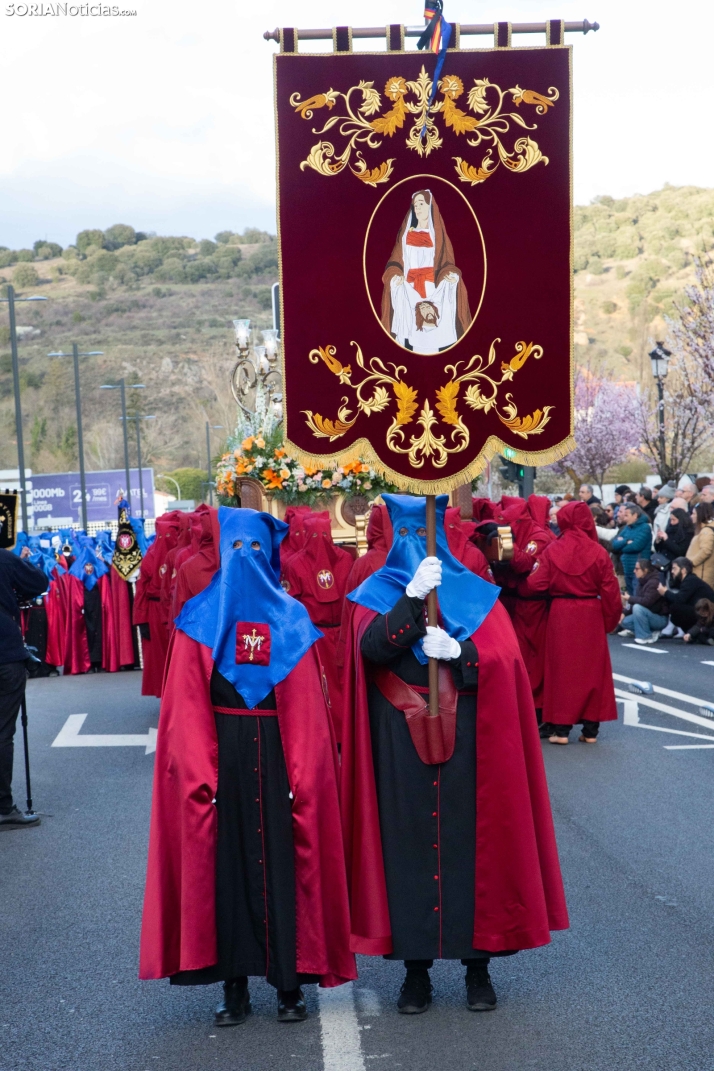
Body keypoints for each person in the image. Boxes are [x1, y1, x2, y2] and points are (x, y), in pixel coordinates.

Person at [341, 495, 568, 1015]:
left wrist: (461, 651)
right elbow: (370, 650)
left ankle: (477, 969)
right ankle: (415, 973)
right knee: (409, 851)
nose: (412, 545)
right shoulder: (374, 589)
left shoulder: (469, 587)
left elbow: (504, 660)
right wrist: (409, 602)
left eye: (420, 535)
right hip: (400, 734)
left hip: (469, 734)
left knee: (471, 851)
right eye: (403, 536)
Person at [140, 508, 356, 1024]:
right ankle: (233, 987)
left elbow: (307, 710)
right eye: (236, 549)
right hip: (223, 761)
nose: (246, 561)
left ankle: (289, 985)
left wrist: (303, 776)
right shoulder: (198, 619)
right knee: (227, 872)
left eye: (256, 550)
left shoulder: (292, 618)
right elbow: (186, 709)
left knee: (284, 867)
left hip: (280, 758)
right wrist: (199, 775)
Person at [520, 501, 622, 745]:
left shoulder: (553, 550)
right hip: (590, 613)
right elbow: (611, 592)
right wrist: (609, 621)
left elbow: (535, 584)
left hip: (562, 613)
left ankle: (561, 729)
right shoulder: (598, 552)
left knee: (562, 671)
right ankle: (590, 729)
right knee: (593, 671)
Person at [282, 512, 354, 743]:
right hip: (315, 635)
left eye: (324, 535)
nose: (321, 540)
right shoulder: (296, 564)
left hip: (342, 632)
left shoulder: (346, 559)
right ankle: (328, 735)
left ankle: (348, 732)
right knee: (322, 686)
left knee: (344, 683)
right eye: (315, 535)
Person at [381, 189, 471, 353]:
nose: (418, 208)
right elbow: (394, 262)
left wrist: (450, 276)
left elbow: (447, 263)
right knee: (410, 332)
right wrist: (395, 276)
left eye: (421, 204)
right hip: (410, 289)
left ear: (430, 206)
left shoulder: (438, 236)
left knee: (432, 334)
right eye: (415, 205)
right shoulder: (406, 235)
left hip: (432, 289)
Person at [0, 547, 48, 828]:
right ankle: (4, 806)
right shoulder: (5, 559)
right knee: (3, 731)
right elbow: (39, 582)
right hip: (5, 652)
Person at [657, 557, 714, 636]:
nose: (672, 571)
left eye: (674, 569)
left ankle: (695, 634)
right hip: (702, 612)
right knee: (675, 611)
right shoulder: (688, 580)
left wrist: (665, 592)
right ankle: (692, 634)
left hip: (708, 614)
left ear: (683, 570)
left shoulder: (690, 580)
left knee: (675, 609)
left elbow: (679, 599)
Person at [618, 559, 669, 644]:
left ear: (645, 570)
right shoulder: (642, 581)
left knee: (637, 608)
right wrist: (624, 613)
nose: (634, 571)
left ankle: (645, 636)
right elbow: (637, 599)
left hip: (659, 618)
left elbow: (647, 602)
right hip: (648, 614)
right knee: (624, 621)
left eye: (637, 569)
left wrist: (629, 598)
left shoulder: (654, 582)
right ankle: (652, 631)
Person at [611, 503, 652, 595]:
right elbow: (614, 545)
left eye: (627, 515)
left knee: (637, 595)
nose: (624, 518)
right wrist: (626, 541)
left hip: (639, 569)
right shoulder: (626, 528)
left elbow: (636, 546)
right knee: (629, 596)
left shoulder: (645, 528)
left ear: (635, 516)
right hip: (627, 568)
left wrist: (622, 546)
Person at [685, 501, 714, 590]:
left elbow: (705, 551)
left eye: (694, 513)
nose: (691, 516)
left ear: (701, 515)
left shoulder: (707, 531)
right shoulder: (703, 530)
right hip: (698, 575)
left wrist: (690, 563)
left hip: (701, 576)